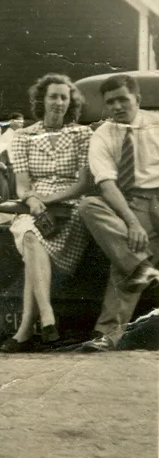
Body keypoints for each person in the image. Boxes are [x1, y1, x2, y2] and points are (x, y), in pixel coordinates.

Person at [1, 74, 93, 351]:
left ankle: (26, 328)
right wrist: (31, 200)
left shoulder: (81, 134)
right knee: (28, 233)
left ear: (70, 103)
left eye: (64, 97)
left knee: (32, 248)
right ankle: (47, 317)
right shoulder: (23, 136)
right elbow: (22, 185)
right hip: (34, 205)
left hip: (71, 206)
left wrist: (47, 199)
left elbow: (82, 184)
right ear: (42, 100)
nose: (58, 102)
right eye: (53, 96)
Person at [77, 74, 159, 352]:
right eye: (110, 102)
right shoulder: (104, 134)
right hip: (132, 204)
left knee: (127, 262)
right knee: (89, 205)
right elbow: (106, 182)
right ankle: (108, 334)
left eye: (123, 99)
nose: (117, 107)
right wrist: (132, 222)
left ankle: (139, 267)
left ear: (137, 99)